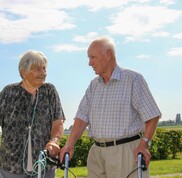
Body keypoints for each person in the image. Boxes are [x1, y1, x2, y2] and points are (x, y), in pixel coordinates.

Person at [60, 37, 161, 178]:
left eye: (92, 57)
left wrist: (144, 143)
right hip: (97, 153)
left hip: (125, 153)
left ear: (107, 55)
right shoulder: (93, 85)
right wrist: (69, 145)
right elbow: (81, 117)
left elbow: (152, 116)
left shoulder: (133, 79)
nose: (90, 63)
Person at [0, 50, 65, 178]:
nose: (43, 73)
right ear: (24, 72)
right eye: (37, 69)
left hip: (44, 164)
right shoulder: (9, 92)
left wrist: (54, 141)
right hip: (12, 165)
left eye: (44, 69)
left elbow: (58, 121)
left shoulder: (49, 91)